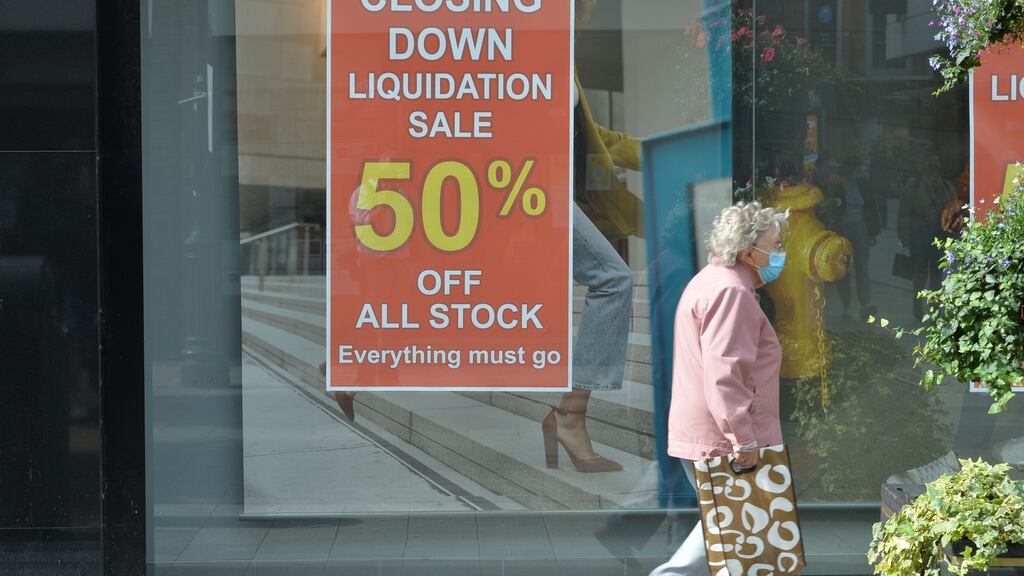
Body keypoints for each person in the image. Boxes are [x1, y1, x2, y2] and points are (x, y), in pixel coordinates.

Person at [650, 201, 788, 576]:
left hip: (711, 434)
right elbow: (726, 375)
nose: (780, 254)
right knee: (735, 534)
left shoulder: (716, 280)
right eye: (775, 246)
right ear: (748, 252)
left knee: (732, 535)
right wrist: (743, 440)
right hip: (723, 440)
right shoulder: (733, 292)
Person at [541, 0, 643, 473]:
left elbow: (592, 133)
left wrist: (652, 153)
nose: (585, 19)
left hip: (539, 191)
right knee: (614, 278)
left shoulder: (559, 58)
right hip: (523, 190)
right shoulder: (528, 49)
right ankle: (569, 417)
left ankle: (352, 370)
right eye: (582, 11)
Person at [898, 154, 955, 320]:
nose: (933, 166)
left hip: (940, 235)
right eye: (930, 163)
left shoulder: (945, 186)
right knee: (919, 273)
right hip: (919, 235)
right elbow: (903, 212)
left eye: (936, 163)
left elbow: (954, 209)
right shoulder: (913, 185)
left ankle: (935, 308)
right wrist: (904, 235)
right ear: (923, 166)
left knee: (937, 275)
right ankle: (917, 304)